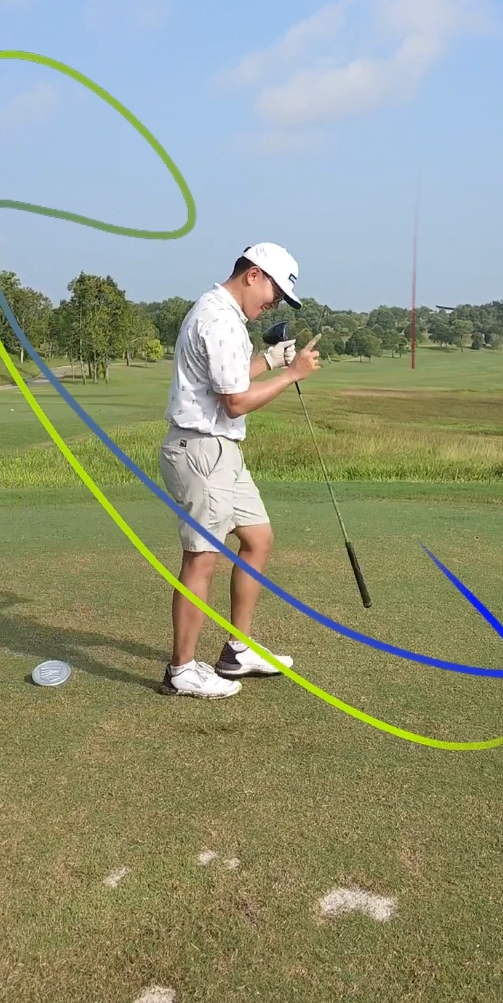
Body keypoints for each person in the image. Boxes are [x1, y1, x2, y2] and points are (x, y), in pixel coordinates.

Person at [158, 242, 320, 699]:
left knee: (258, 537)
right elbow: (234, 403)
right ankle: (181, 669)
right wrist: (292, 376)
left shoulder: (224, 315)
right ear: (253, 274)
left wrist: (270, 362)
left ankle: (237, 650)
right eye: (274, 292)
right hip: (201, 450)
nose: (273, 304)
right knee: (202, 558)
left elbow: (229, 378)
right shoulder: (219, 319)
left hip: (222, 450)